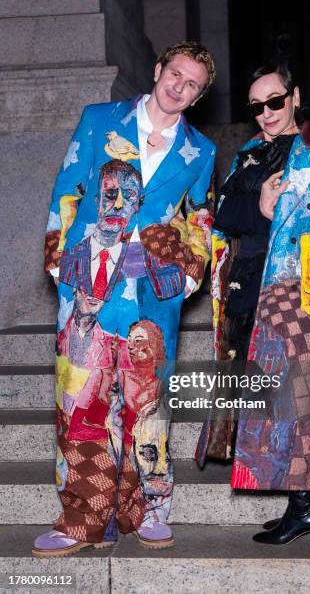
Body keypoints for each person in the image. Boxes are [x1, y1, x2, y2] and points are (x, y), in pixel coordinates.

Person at [33, 41, 216, 557]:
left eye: (192, 85)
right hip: (89, 284)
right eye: (174, 74)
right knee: (81, 402)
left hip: (151, 296)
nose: (178, 87)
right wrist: (60, 265)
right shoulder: (99, 120)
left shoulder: (200, 151)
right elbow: (65, 191)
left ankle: (149, 506)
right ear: (158, 70)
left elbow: (199, 219)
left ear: (198, 96)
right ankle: (80, 519)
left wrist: (185, 276)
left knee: (147, 404)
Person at [196, 56, 310, 545]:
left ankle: (306, 506)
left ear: (296, 97)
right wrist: (258, 207)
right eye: (256, 105)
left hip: (308, 298)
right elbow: (222, 216)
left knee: (302, 407)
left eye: (275, 101)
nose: (266, 112)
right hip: (249, 294)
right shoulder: (247, 156)